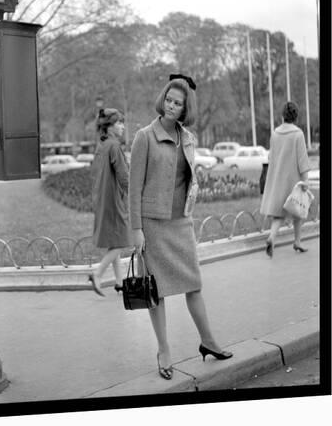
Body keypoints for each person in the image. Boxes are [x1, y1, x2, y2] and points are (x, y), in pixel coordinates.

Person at [129, 74, 232, 380]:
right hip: (153, 225)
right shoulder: (144, 137)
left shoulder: (187, 137)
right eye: (169, 100)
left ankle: (208, 341)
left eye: (178, 103)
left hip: (181, 222)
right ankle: (164, 350)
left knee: (194, 284)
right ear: (163, 100)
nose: (171, 106)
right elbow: (134, 189)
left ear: (186, 107)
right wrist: (136, 230)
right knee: (156, 292)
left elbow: (187, 178)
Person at [88, 108, 131, 297]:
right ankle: (97, 273)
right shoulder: (114, 146)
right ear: (110, 127)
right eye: (119, 123)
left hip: (104, 199)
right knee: (122, 241)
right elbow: (124, 177)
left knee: (115, 241)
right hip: (114, 201)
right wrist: (135, 197)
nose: (122, 126)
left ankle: (120, 283)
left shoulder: (102, 145)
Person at [260, 101, 311, 257]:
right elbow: (302, 160)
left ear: (283, 116)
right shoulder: (298, 134)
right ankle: (297, 241)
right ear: (296, 117)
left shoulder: (275, 134)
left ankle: (272, 237)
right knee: (297, 210)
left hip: (277, 178)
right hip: (293, 179)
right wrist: (305, 181)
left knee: (279, 214)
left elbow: (271, 156)